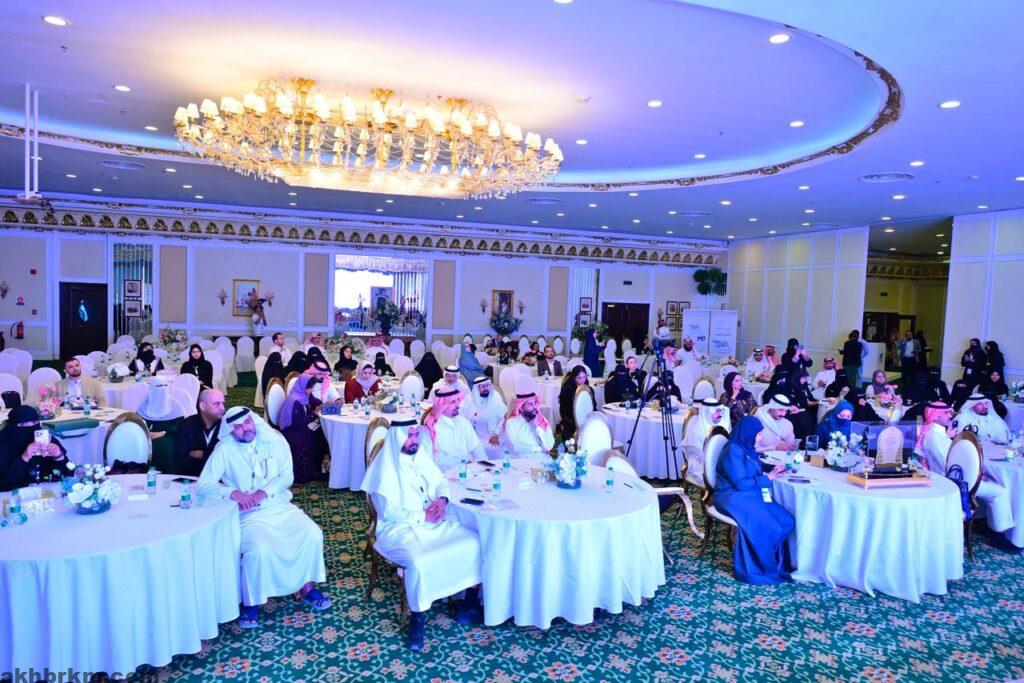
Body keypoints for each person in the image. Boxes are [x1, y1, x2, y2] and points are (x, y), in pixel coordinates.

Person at [198, 407, 329, 629]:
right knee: (259, 550)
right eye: (238, 427)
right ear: (230, 430)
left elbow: (287, 476)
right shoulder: (225, 449)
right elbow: (203, 485)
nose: (245, 429)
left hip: (279, 506)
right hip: (249, 514)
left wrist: (263, 492)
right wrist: (233, 493)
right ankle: (252, 602)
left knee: (312, 534)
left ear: (254, 421)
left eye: (247, 423)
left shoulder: (274, 440)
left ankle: (306, 587)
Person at [360, 420, 483, 650]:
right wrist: (423, 516)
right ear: (398, 438)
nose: (414, 440)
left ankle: (469, 603)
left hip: (432, 523)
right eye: (409, 436)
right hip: (398, 530)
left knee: (474, 542)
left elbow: (441, 481)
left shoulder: (420, 457)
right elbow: (390, 513)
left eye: (416, 435)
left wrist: (442, 500)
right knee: (418, 562)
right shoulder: (385, 468)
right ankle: (417, 617)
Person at [916, 402, 1015, 544]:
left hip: (952, 477)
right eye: (945, 413)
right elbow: (949, 466)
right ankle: (998, 535)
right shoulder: (934, 436)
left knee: (992, 481)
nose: (950, 415)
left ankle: (982, 522)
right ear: (936, 416)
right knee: (999, 491)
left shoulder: (935, 431)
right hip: (953, 482)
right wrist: (977, 475)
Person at [712, 417, 793, 584]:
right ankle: (761, 567)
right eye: (758, 434)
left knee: (787, 521)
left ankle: (766, 559)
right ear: (748, 433)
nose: (761, 437)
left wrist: (773, 469)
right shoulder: (732, 451)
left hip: (751, 493)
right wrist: (768, 478)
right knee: (771, 527)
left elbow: (756, 464)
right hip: (731, 496)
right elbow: (741, 484)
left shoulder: (746, 447)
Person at [0, 405, 67, 491]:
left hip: (46, 492)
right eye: (23, 424)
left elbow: (68, 474)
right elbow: (3, 483)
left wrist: (59, 457)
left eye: (34, 422)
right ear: (12, 425)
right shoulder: (3, 443)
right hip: (14, 494)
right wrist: (24, 457)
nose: (30, 427)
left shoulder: (45, 438)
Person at [279, 375, 328, 484]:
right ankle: (308, 473)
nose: (311, 390)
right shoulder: (295, 400)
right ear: (303, 386)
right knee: (316, 436)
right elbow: (297, 422)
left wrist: (322, 404)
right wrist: (314, 414)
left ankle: (317, 467)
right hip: (292, 431)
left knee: (320, 432)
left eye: (312, 387)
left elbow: (315, 401)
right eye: (310, 388)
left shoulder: (304, 394)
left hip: (300, 426)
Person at [423, 388, 485, 471]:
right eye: (453, 402)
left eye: (457, 401)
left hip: (469, 471)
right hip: (447, 474)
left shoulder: (463, 421)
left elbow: (477, 448)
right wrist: (462, 466)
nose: (457, 405)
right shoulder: (432, 428)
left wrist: (481, 466)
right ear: (442, 405)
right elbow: (433, 461)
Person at [137, 376, 186, 473]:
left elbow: (180, 428)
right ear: (151, 389)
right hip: (147, 437)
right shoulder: (144, 406)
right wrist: (147, 434)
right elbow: (138, 425)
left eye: (165, 386)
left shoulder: (175, 406)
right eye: (158, 386)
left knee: (162, 446)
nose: (162, 389)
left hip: (169, 436)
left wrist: (162, 433)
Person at [174, 388, 225, 476]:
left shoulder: (227, 425)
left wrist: (201, 454)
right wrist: (211, 457)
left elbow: (227, 458)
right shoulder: (187, 425)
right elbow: (181, 459)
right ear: (203, 406)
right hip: (191, 477)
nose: (222, 408)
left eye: (223, 403)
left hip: (221, 478)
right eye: (217, 404)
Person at [681, 398, 729, 487]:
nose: (720, 415)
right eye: (716, 412)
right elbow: (699, 456)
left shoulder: (723, 424)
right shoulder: (697, 430)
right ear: (707, 413)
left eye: (720, 411)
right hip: (702, 467)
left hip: (721, 462)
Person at [503, 392, 555, 456]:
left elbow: (549, 446)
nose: (534, 407)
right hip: (521, 459)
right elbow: (515, 446)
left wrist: (537, 427)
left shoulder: (542, 421)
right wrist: (539, 449)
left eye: (535, 403)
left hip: (541, 459)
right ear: (521, 408)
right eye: (530, 404)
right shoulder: (511, 423)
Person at [461, 376, 507, 446]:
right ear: (476, 388)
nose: (485, 388)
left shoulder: (495, 397)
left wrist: (496, 434)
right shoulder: (469, 399)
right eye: (482, 386)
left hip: (491, 434)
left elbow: (502, 419)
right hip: (472, 435)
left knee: (494, 448)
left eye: (487, 385)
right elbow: (461, 415)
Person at [557, 365, 592, 441]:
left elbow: (592, 406)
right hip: (570, 421)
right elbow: (563, 411)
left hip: (585, 420)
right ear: (574, 378)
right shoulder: (567, 390)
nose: (582, 381)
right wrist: (575, 424)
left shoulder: (588, 389)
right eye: (579, 378)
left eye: (584, 377)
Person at [785, 371, 818, 441]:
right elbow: (802, 402)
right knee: (806, 418)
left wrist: (818, 402)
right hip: (797, 409)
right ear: (798, 377)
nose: (805, 380)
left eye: (806, 378)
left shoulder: (804, 386)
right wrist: (816, 403)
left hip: (806, 407)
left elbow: (811, 398)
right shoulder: (793, 387)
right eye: (803, 378)